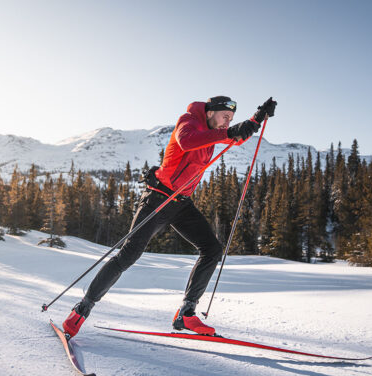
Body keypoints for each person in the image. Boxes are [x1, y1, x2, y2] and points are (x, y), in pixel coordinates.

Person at [63, 96, 277, 337]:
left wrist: (257, 118)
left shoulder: (214, 131)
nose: (227, 123)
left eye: (231, 120)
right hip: (158, 198)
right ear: (210, 112)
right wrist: (231, 132)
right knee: (127, 256)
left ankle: (186, 313)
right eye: (225, 117)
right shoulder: (188, 122)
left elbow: (234, 138)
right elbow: (186, 142)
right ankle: (82, 309)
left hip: (181, 203)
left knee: (212, 249)